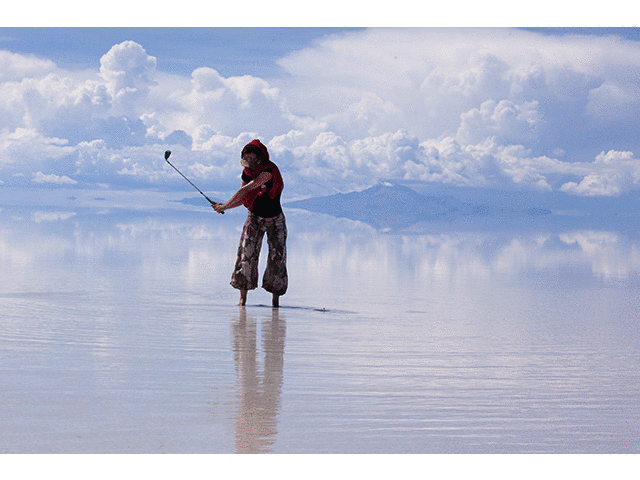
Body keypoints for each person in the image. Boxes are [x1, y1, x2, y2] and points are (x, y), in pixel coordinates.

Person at [212, 139, 288, 307]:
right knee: (246, 255)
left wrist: (224, 206)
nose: (249, 162)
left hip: (275, 219)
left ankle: (275, 301)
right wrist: (224, 206)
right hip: (254, 217)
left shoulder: (269, 171)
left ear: (260, 157)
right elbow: (243, 198)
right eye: (247, 158)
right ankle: (243, 299)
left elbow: (246, 189)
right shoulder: (247, 172)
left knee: (277, 258)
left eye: (252, 158)